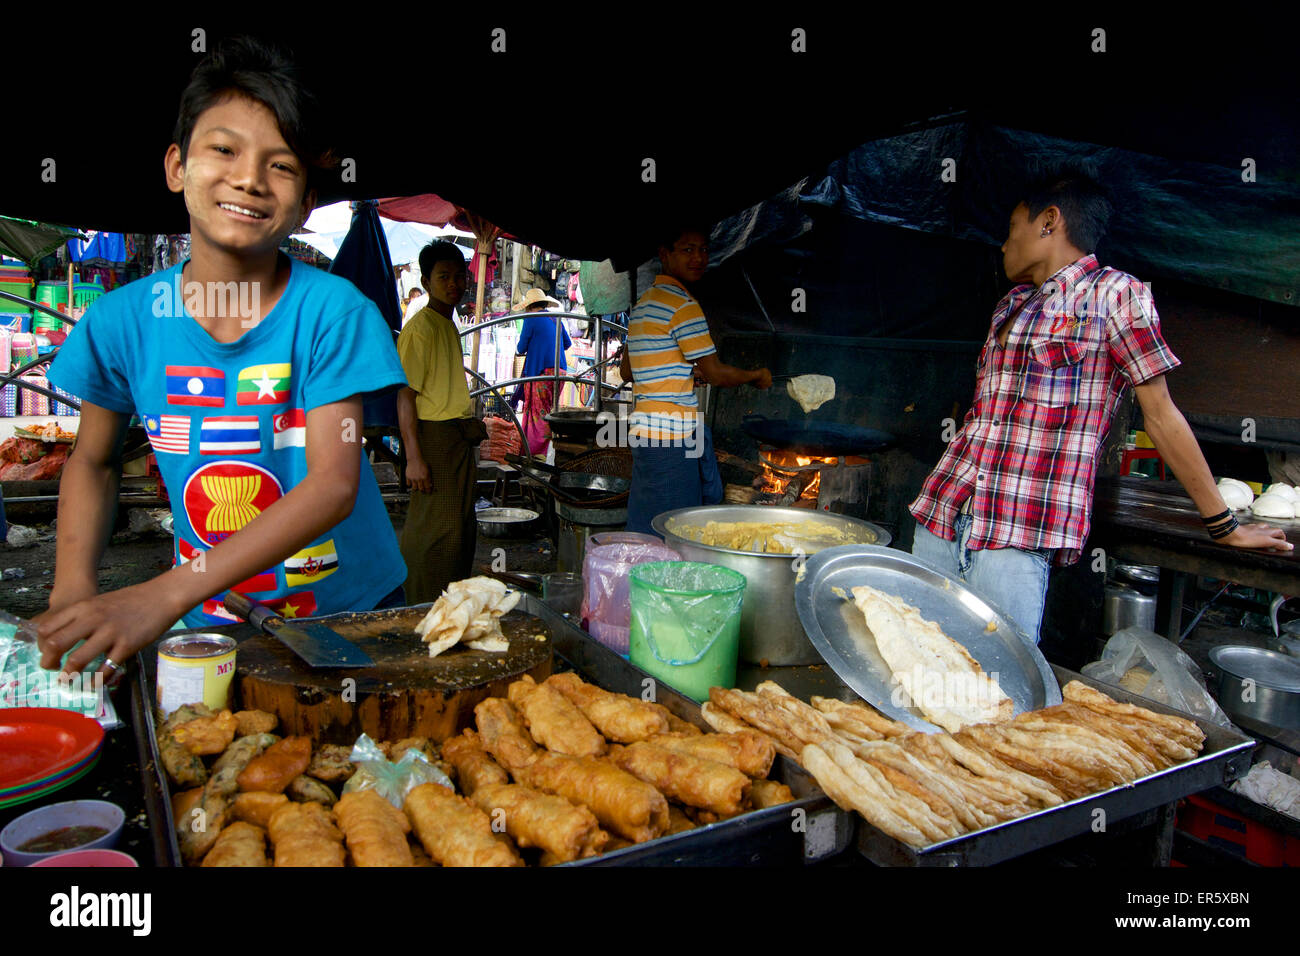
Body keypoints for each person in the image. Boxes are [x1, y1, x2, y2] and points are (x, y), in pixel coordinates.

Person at [38, 37, 409, 681]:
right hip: (210, 621)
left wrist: (161, 593)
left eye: (282, 165)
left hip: (351, 614)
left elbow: (333, 484)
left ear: (307, 203)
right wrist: (73, 592)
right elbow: (92, 461)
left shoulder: (335, 313)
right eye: (224, 149)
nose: (249, 178)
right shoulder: (121, 322)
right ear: (177, 167)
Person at [908, 165, 1292, 644]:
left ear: (1049, 222)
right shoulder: (1011, 306)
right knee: (912, 664)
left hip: (1018, 529)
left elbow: (1162, 414)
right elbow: (984, 417)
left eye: (1012, 230)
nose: (1004, 246)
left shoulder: (1118, 294)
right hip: (942, 510)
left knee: (994, 688)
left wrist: (1224, 525)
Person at [621, 226, 772, 534]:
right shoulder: (683, 306)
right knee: (675, 528)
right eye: (687, 250)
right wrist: (756, 375)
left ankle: (633, 577)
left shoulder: (644, 305)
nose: (698, 258)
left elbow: (628, 371)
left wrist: (684, 373)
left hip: (645, 433)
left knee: (647, 521)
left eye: (703, 250)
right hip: (672, 438)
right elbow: (717, 373)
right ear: (665, 254)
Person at [396, 241, 488, 604]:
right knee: (435, 529)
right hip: (432, 439)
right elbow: (405, 395)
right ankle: (420, 604)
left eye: (459, 276)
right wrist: (414, 458)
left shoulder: (446, 324)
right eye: (443, 277)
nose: (454, 284)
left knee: (459, 528)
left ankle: (450, 605)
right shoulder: (420, 329)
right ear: (426, 280)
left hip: (454, 438)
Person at [512, 287, 570, 454]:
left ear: (530, 306)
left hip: (541, 372)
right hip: (560, 372)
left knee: (539, 413)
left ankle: (537, 453)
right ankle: (543, 450)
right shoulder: (555, 318)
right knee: (549, 410)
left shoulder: (532, 318)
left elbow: (521, 347)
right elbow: (566, 343)